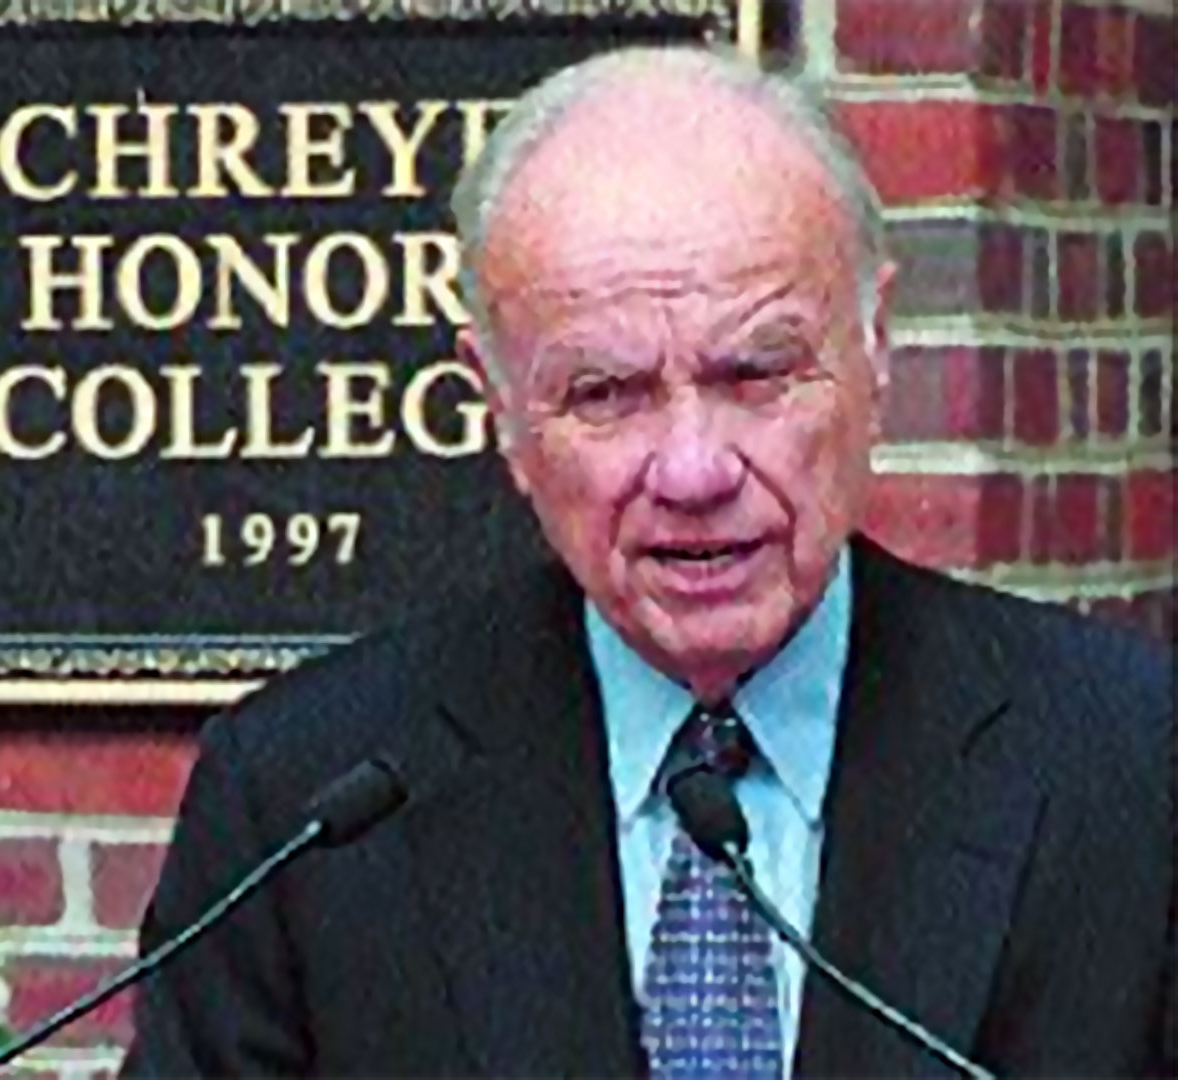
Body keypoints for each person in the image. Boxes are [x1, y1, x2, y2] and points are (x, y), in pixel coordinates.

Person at [121, 45, 1174, 1079]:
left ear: (877, 347)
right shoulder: (307, 805)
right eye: (606, 394)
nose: (694, 468)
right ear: (498, 409)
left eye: (758, 372)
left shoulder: (1130, 765)